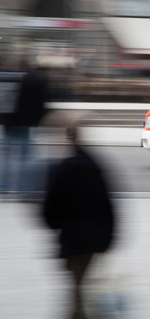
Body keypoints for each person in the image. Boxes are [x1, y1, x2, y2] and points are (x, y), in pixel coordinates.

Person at [43, 115, 115, 319]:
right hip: (94, 240)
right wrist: (108, 240)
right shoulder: (96, 167)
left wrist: (56, 226)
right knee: (83, 289)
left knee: (77, 292)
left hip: (72, 241)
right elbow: (108, 206)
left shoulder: (64, 168)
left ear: (69, 138)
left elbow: (50, 208)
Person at [0, 59, 47, 199]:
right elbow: (40, 102)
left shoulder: (10, 77)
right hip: (26, 123)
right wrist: (38, 120)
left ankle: (3, 185)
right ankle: (23, 188)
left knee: (6, 155)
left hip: (9, 122)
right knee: (26, 156)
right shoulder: (33, 79)